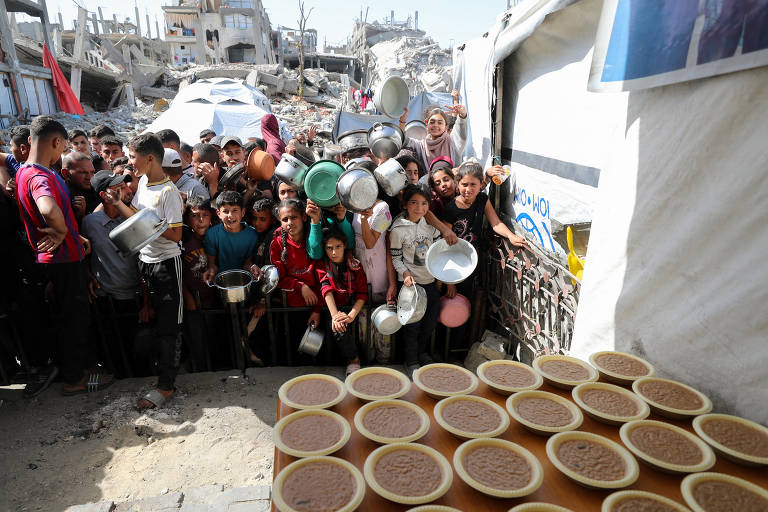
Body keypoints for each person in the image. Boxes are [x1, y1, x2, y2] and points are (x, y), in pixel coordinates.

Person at [15, 115, 110, 397]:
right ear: (57, 142)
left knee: (70, 316)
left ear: (30, 141)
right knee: (73, 319)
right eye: (62, 147)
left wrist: (70, 232)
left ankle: (78, 368)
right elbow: (46, 207)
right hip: (63, 260)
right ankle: (75, 379)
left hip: (57, 256)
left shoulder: (23, 170)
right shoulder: (40, 176)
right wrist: (59, 230)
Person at [103, 133, 184, 410]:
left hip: (166, 266)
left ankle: (166, 386)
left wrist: (152, 224)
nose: (129, 163)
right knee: (152, 323)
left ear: (150, 158)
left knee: (168, 327)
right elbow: (137, 217)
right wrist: (118, 204)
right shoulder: (145, 183)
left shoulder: (169, 192)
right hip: (145, 261)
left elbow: (174, 235)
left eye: (133, 157)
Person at [440, 160, 528, 351]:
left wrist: (512, 236)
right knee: (451, 306)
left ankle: (461, 349)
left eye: (473, 184)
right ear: (457, 184)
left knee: (468, 306)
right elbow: (444, 248)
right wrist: (449, 281)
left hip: (472, 262)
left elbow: (495, 223)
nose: (468, 189)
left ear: (481, 184)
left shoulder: (482, 199)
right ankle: (445, 350)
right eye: (464, 184)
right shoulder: (450, 210)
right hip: (452, 267)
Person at [389, 183, 442, 378]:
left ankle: (421, 353)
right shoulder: (397, 230)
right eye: (414, 202)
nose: (419, 208)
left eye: (424, 203)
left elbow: (438, 249)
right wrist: (404, 274)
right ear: (405, 204)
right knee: (412, 326)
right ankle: (411, 360)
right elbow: (395, 258)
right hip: (412, 287)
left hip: (430, 284)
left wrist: (440, 277)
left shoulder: (430, 226)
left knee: (429, 323)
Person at [315, 226, 368, 376]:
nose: (334, 252)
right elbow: (326, 290)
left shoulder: (354, 265)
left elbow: (362, 294)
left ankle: (355, 360)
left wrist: (351, 315)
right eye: (329, 248)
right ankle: (353, 359)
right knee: (338, 327)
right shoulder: (322, 265)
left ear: (344, 246)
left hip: (353, 308)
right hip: (331, 309)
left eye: (338, 247)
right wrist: (335, 316)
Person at [181, 196, 215, 371]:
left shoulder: (214, 236)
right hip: (193, 301)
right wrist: (188, 297)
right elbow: (177, 273)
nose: (201, 220)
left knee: (213, 337)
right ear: (187, 218)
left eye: (205, 215)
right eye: (195, 215)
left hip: (213, 299)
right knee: (196, 340)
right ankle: (200, 373)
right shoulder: (183, 241)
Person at [269, 198, 319, 308]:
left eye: (294, 217)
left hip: (318, 303)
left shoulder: (314, 239)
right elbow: (279, 277)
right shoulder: (277, 244)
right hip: (290, 306)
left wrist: (317, 309)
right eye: (285, 219)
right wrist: (301, 287)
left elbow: (322, 274)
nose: (290, 223)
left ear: (304, 217)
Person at [400, 92, 468, 172]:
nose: (435, 125)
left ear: (446, 126)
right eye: (432, 122)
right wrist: (403, 120)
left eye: (440, 122)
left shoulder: (452, 142)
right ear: (426, 123)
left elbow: (461, 134)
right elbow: (403, 140)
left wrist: (462, 115)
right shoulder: (421, 146)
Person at [202, 191, 260, 281]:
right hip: (221, 281)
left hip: (243, 281)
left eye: (235, 210)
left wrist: (252, 267)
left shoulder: (252, 235)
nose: (230, 216)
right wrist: (211, 270)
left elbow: (247, 263)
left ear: (243, 212)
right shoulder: (212, 234)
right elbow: (212, 264)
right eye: (225, 211)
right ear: (218, 214)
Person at [61, 152, 99, 219]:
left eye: (92, 172)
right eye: (83, 172)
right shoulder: (58, 196)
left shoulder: (97, 191)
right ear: (65, 173)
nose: (89, 177)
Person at [249, 197, 278, 267]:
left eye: (262, 219)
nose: (257, 223)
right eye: (255, 218)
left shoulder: (275, 238)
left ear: (273, 219)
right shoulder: (252, 232)